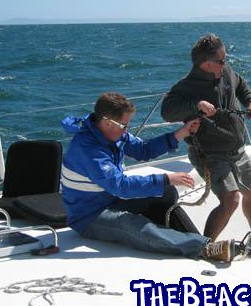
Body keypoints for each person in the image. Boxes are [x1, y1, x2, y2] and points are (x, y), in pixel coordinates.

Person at [61, 91, 235, 262]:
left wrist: (181, 132)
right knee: (129, 224)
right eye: (124, 126)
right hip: (89, 216)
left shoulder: (113, 135)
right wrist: (166, 178)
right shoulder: (89, 150)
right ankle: (204, 247)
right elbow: (121, 186)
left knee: (167, 194)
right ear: (107, 122)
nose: (126, 130)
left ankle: (182, 238)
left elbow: (144, 150)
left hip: (111, 200)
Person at [161, 34, 251, 245]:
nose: (225, 63)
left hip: (237, 149)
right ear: (207, 64)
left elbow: (241, 84)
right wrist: (196, 105)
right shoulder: (187, 86)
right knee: (230, 200)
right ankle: (203, 247)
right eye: (222, 59)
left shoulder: (225, 72)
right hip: (210, 154)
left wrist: (250, 104)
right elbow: (167, 111)